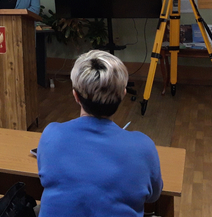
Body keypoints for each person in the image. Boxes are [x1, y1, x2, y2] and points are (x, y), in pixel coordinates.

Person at [36, 50, 162, 217]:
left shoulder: (51, 134)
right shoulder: (144, 147)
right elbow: (154, 196)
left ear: (75, 95)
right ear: (123, 94)